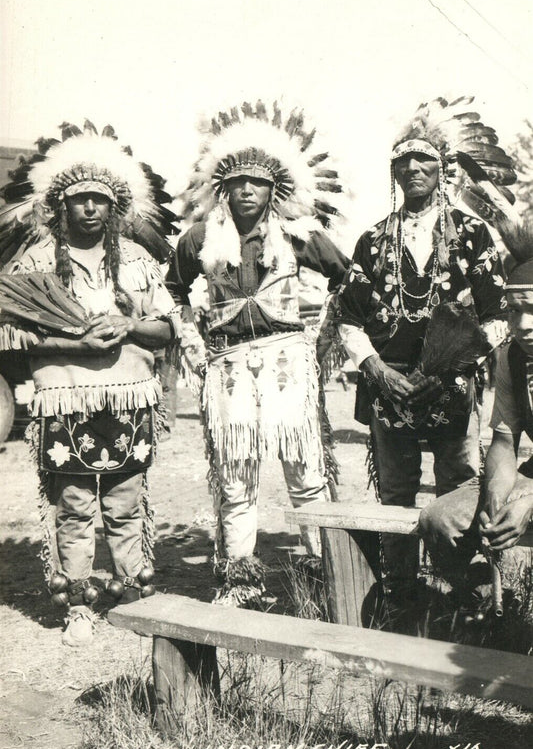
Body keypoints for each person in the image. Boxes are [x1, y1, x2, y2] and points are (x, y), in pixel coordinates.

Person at [0, 123, 183, 646]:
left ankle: (132, 592)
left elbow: (167, 328)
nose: (89, 209)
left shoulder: (139, 260)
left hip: (128, 394)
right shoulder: (34, 263)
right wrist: (78, 344)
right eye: (79, 199)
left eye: (99, 200)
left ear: (114, 207)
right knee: (75, 502)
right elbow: (17, 336)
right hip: (64, 395)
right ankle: (79, 602)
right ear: (61, 205)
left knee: (126, 499)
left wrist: (128, 326)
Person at [166, 100, 349, 606]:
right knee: (235, 476)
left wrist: (323, 335)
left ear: (275, 189)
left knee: (305, 472)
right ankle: (241, 582)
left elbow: (349, 277)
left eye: (258, 183)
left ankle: (325, 577)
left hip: (288, 359)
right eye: (238, 183)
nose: (247, 191)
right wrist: (192, 339)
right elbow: (173, 291)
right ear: (222, 188)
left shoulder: (297, 235)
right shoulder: (200, 239)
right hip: (226, 364)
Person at [335, 97, 510, 599]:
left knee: (460, 487)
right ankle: (401, 592)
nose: (413, 170)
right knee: (394, 493)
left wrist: (457, 365)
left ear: (442, 171)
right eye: (403, 164)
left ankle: (463, 587)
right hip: (389, 388)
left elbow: (496, 316)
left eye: (424, 162)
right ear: (393, 173)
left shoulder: (472, 234)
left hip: (451, 387)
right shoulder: (372, 241)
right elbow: (347, 319)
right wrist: (376, 370)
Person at [419, 237, 533, 589]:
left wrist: (530, 502)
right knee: (440, 518)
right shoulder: (514, 356)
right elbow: (503, 439)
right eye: (514, 310)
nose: (524, 324)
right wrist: (496, 496)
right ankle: (475, 602)